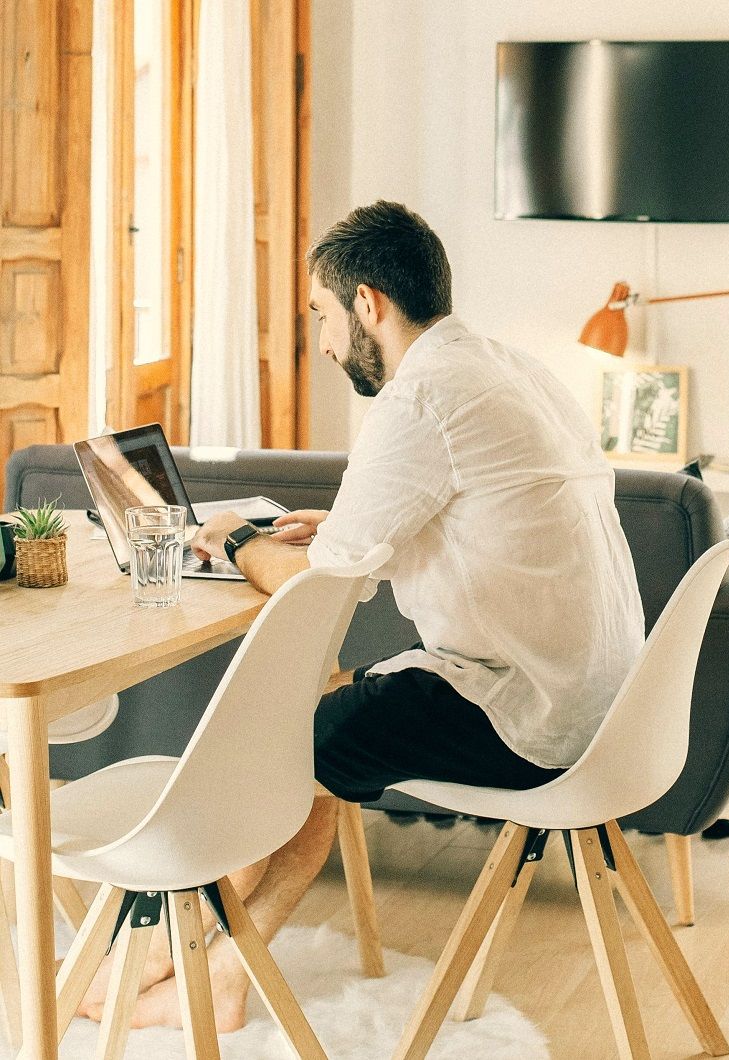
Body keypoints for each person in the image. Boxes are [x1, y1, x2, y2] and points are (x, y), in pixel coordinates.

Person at [80, 200, 644, 1032]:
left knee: (270, 747)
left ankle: (165, 961)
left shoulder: (418, 400)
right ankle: (228, 973)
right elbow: (448, 511)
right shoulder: (512, 369)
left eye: (323, 316)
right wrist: (334, 524)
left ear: (369, 303)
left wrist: (234, 541)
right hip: (608, 707)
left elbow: (319, 583)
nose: (327, 342)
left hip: (526, 714)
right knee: (325, 733)